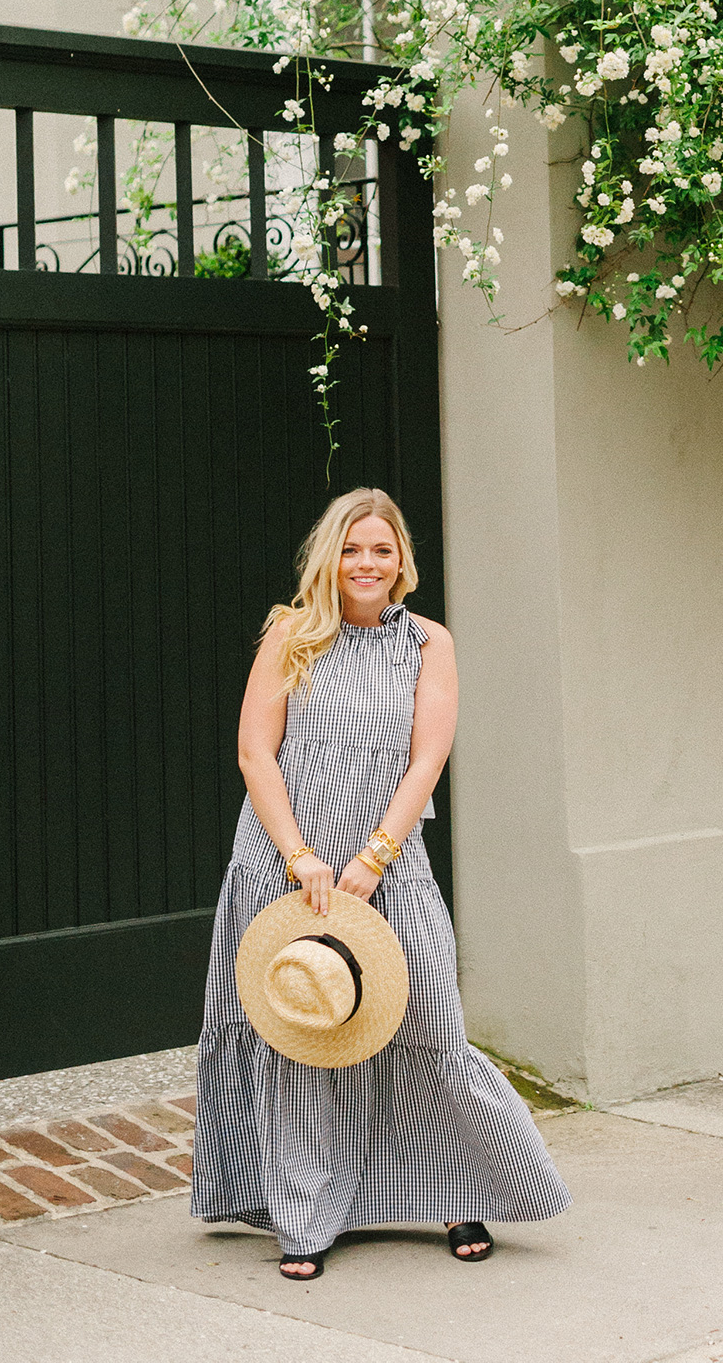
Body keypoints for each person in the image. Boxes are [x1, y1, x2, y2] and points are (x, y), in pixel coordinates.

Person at [191, 486, 571, 1278]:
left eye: (382, 550)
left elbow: (426, 758)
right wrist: (300, 856)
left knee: (427, 1022)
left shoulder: (427, 643)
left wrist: (373, 856)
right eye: (353, 549)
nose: (367, 563)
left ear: (402, 563)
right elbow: (255, 754)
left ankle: (457, 1187)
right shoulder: (291, 635)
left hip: (385, 863)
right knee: (302, 1039)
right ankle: (304, 1212)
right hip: (282, 863)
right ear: (328, 558)